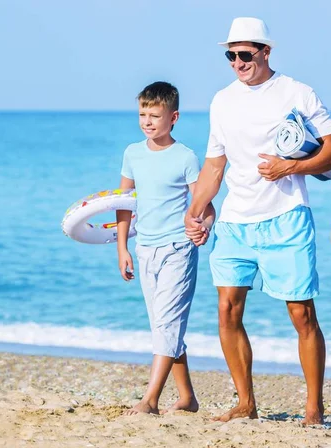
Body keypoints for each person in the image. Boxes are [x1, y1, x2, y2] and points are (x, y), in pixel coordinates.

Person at [185, 17, 331, 425]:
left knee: (301, 314)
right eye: (231, 55)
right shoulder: (221, 101)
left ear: (266, 52)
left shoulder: (297, 92)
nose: (237, 62)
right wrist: (196, 209)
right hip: (236, 222)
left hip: (286, 218)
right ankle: (246, 403)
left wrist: (290, 167)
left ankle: (314, 407)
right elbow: (215, 164)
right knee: (227, 311)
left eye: (245, 54)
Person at [116, 81, 215, 415]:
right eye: (143, 114)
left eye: (155, 115)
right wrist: (122, 248)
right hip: (144, 249)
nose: (147, 121)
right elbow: (124, 203)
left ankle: (150, 400)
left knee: (168, 323)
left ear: (173, 117)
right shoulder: (132, 153)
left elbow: (206, 205)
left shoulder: (185, 156)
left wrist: (204, 227)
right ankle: (187, 398)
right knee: (162, 325)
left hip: (177, 248)